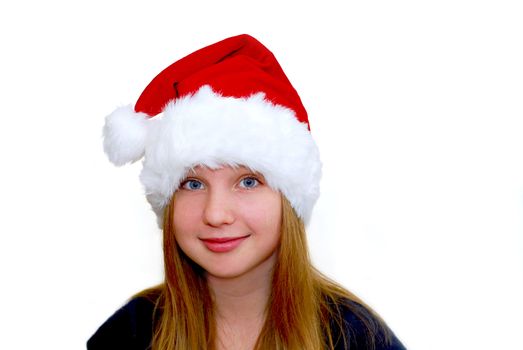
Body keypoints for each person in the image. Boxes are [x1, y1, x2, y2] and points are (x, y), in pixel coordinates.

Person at [88, 34, 406, 350]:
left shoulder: (357, 338)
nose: (215, 214)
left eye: (248, 181)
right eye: (192, 183)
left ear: (288, 199)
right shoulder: (129, 334)